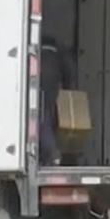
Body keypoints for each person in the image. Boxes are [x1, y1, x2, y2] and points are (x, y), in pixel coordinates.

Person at [39, 36, 76, 166]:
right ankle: (50, 155)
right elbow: (69, 74)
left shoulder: (39, 55)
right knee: (48, 119)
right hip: (52, 88)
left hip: (39, 88)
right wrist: (69, 90)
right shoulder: (59, 55)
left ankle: (51, 155)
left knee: (43, 121)